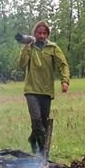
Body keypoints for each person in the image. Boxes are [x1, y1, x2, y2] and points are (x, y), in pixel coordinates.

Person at [16, 21, 70, 155]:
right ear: (34, 33)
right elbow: (21, 65)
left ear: (47, 34)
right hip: (31, 90)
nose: (41, 36)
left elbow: (63, 64)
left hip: (46, 91)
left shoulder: (53, 48)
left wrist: (65, 81)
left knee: (43, 123)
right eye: (39, 33)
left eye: (44, 33)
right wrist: (26, 48)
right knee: (36, 120)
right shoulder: (30, 47)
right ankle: (43, 154)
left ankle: (33, 140)